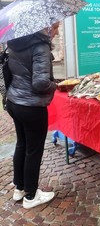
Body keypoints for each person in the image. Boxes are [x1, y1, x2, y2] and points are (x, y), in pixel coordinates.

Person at [6, 22, 60, 209]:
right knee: (33, 150)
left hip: (15, 102)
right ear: (45, 27)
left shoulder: (15, 42)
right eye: (55, 27)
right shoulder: (40, 46)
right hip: (31, 106)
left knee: (22, 144)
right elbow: (40, 83)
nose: (57, 31)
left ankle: (19, 188)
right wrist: (56, 85)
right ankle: (31, 195)